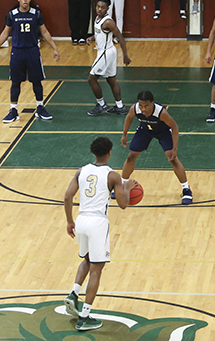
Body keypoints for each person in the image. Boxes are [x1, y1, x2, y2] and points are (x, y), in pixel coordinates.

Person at [63, 136, 137, 331]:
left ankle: (73, 293)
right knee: (97, 269)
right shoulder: (112, 176)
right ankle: (85, 316)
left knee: (87, 259)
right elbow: (123, 205)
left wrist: (69, 221)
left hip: (81, 220)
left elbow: (67, 196)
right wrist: (127, 188)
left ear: (93, 152)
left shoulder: (81, 171)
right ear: (110, 153)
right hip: (97, 223)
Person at [0, 0, 60, 123]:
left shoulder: (36, 14)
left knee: (36, 81)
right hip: (17, 52)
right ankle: (13, 110)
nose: (25, 0)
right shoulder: (12, 15)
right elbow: (5, 33)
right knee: (15, 82)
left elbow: (44, 31)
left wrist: (54, 48)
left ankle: (40, 108)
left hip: (32, 51)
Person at [121, 90, 193, 205]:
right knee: (131, 157)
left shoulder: (161, 113)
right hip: (145, 131)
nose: (143, 109)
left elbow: (174, 127)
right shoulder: (134, 108)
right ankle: (122, 185)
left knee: (173, 159)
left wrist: (174, 149)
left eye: (146, 106)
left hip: (163, 132)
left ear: (152, 103)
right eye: (141, 105)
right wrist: (124, 134)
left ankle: (186, 189)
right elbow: (129, 118)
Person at [86, 0, 131, 116]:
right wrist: (92, 38)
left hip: (105, 52)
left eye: (102, 7)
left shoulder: (108, 22)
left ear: (107, 9)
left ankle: (101, 105)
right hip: (107, 52)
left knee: (92, 78)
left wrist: (125, 55)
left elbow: (120, 37)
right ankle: (120, 107)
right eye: (98, 6)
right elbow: (100, 33)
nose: (99, 9)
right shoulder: (98, 18)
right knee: (111, 79)